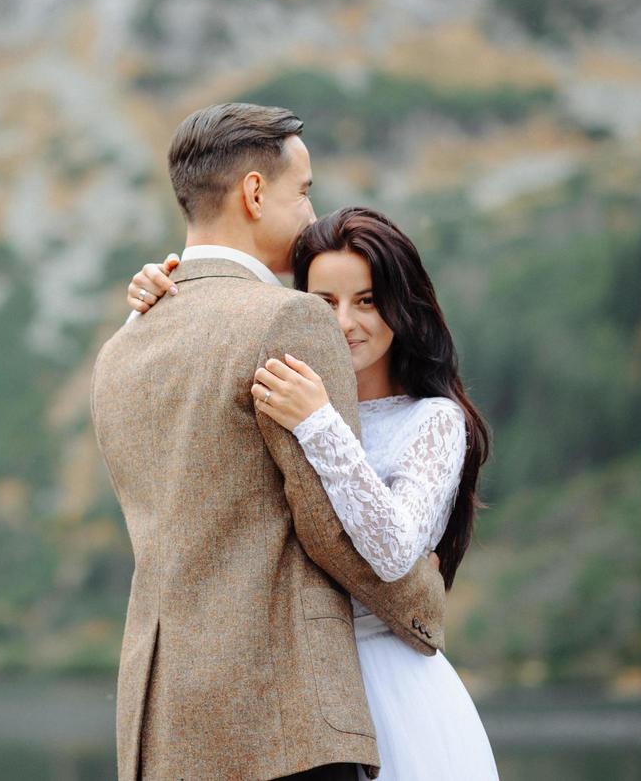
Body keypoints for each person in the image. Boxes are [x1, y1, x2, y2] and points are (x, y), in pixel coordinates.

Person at [90, 103, 446, 781]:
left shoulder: (122, 344)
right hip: (284, 715)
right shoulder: (289, 319)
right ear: (254, 192)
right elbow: (329, 526)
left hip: (160, 718)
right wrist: (421, 606)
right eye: (303, 191)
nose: (311, 212)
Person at [127, 206, 499, 780]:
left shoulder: (433, 421)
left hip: (389, 688)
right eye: (324, 302)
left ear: (403, 306)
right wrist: (161, 300)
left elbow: (396, 550)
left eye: (368, 300)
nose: (345, 321)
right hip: (289, 690)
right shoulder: (281, 385)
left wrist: (320, 423)